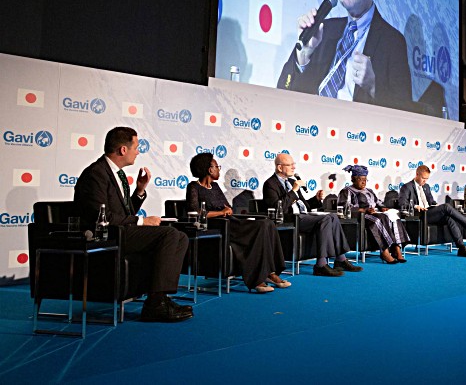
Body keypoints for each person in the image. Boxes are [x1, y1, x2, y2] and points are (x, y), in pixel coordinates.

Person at [277, 0, 412, 111]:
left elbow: (406, 114)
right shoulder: (324, 31)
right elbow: (282, 92)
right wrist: (304, 56)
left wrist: (373, 87)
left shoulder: (392, 42)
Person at [73, 127, 192, 322]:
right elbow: (101, 216)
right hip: (106, 235)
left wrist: (139, 190)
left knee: (180, 236)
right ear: (122, 150)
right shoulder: (96, 173)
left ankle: (159, 298)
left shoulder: (118, 175)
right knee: (169, 235)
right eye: (136, 147)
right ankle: (156, 304)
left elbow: (124, 213)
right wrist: (143, 221)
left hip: (121, 231)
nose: (138, 152)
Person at [186, 153, 289, 293]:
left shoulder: (215, 187)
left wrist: (226, 210)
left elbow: (227, 207)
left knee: (267, 223)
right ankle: (259, 278)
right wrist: (221, 213)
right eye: (217, 167)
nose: (219, 170)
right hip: (216, 226)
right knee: (262, 225)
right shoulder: (194, 187)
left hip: (230, 221)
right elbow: (196, 213)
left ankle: (270, 272)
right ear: (210, 169)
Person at [262, 153, 362, 276]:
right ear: (279, 167)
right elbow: (278, 207)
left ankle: (340, 259)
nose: (294, 167)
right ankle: (320, 265)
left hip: (303, 216)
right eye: (290, 165)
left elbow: (304, 206)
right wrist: (293, 191)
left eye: (294, 164)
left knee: (332, 216)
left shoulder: (292, 181)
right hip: (290, 219)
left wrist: (316, 199)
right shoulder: (270, 184)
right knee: (326, 219)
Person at [398, 165, 466, 258]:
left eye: (427, 178)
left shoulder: (426, 187)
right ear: (417, 174)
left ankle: (461, 248)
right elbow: (402, 204)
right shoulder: (407, 187)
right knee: (446, 207)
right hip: (420, 215)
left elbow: (431, 201)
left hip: (430, 212)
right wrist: (415, 206)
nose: (425, 181)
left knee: (449, 218)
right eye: (423, 178)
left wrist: (436, 204)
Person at [337, 164, 409, 264]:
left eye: (365, 179)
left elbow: (377, 201)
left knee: (393, 216)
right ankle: (384, 251)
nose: (364, 182)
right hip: (360, 217)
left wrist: (383, 207)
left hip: (374, 214)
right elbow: (345, 208)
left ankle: (397, 249)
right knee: (380, 218)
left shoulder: (369, 190)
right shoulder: (347, 191)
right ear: (353, 179)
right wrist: (364, 210)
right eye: (360, 179)